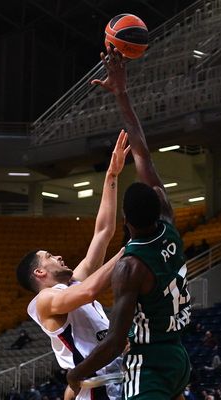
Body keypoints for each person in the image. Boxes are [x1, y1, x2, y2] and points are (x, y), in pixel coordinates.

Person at [66, 46, 191, 400]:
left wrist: (76, 373)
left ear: (126, 219)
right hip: (177, 357)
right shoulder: (168, 223)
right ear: (159, 203)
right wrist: (122, 93)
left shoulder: (130, 268)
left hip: (148, 364)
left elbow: (116, 340)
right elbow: (142, 151)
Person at [16, 130, 130, 399]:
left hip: (116, 378)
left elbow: (103, 232)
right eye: (49, 256)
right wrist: (130, 249)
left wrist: (111, 176)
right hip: (96, 388)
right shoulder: (44, 300)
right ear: (39, 272)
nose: (58, 256)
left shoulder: (73, 283)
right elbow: (90, 291)